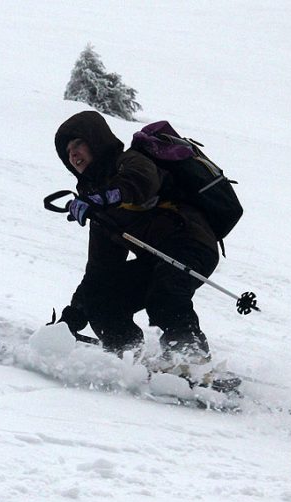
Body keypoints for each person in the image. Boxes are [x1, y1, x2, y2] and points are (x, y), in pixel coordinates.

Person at [53, 110, 219, 376]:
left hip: (191, 242)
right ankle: (128, 356)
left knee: (166, 293)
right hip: (157, 259)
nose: (73, 155)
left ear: (96, 140)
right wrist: (72, 318)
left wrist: (102, 199)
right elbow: (99, 271)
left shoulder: (130, 161)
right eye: (67, 151)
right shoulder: (96, 204)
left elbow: (139, 183)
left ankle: (191, 358)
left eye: (78, 144)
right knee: (101, 297)